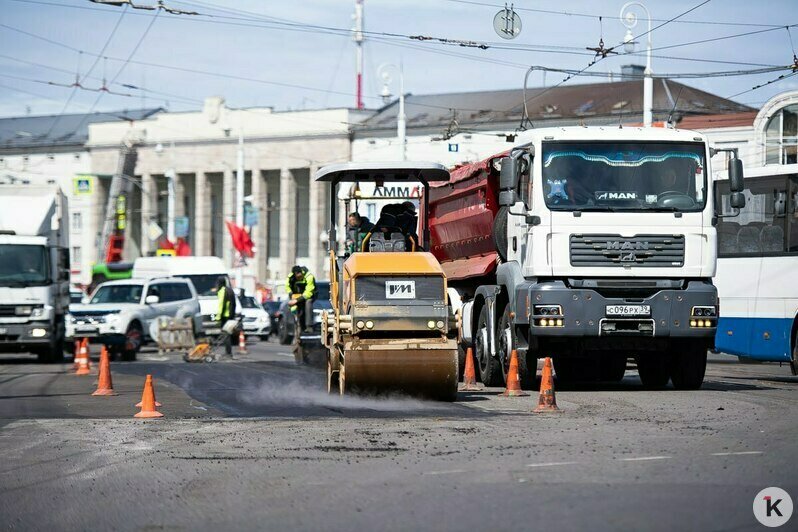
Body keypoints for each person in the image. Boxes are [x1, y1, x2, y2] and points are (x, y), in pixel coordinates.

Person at [285, 265, 317, 333]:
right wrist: (291, 294)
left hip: (309, 295)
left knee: (308, 303)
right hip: (296, 294)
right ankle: (294, 326)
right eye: (298, 277)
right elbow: (287, 286)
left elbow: (308, 293)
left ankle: (309, 326)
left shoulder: (309, 276)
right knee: (292, 307)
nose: (299, 278)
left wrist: (296, 300)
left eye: (300, 276)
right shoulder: (290, 277)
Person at [215, 276, 236, 355]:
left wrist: (218, 317)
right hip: (230, 315)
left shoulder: (222, 291)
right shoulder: (230, 290)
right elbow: (234, 304)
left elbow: (221, 305)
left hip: (224, 315)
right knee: (228, 334)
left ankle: (228, 352)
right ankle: (228, 351)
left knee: (225, 334)